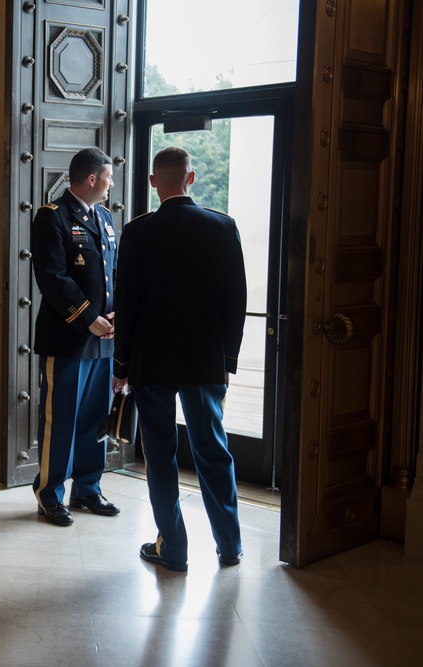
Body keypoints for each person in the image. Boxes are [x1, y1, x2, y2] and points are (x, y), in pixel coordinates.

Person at [112, 146, 247, 572]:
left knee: (160, 453)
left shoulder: (138, 231)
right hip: (205, 360)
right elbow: (236, 301)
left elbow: (127, 303)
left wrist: (120, 367)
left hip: (152, 361)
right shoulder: (223, 227)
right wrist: (228, 358)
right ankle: (229, 545)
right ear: (191, 179)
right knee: (212, 448)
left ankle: (172, 547)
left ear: (154, 183)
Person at [31, 147, 122, 527]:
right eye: (108, 177)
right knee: (62, 418)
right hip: (68, 337)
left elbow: (113, 273)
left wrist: (118, 312)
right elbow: (52, 278)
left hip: (103, 339)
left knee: (94, 418)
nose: (111, 184)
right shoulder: (52, 217)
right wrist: (89, 318)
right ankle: (50, 495)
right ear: (91, 179)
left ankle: (88, 487)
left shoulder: (103, 217)